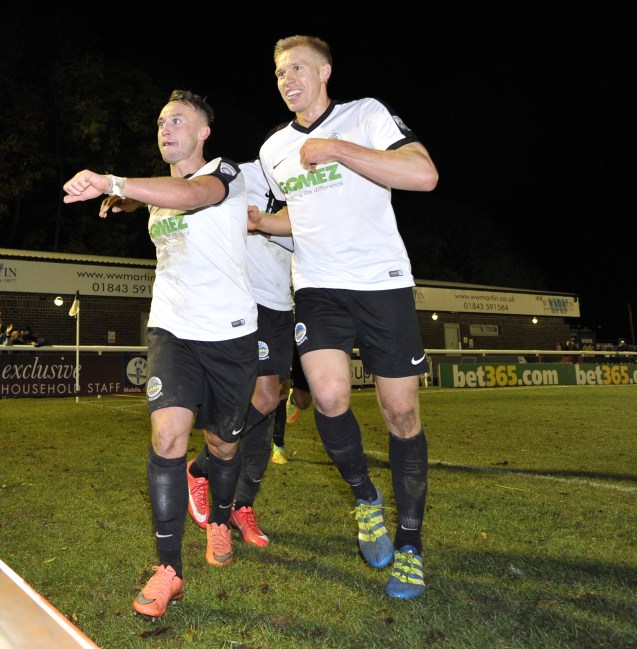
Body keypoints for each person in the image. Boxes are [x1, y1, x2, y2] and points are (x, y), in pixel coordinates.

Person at [250, 35, 438, 600]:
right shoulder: (272, 149)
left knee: (400, 413)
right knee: (328, 398)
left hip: (382, 284)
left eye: (298, 67)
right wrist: (263, 223)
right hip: (318, 289)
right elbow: (301, 220)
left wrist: (336, 148)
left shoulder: (366, 116)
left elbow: (423, 174)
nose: (288, 79)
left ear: (326, 71)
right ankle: (365, 500)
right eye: (281, 72)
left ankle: (410, 545)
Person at [62, 89, 257, 620]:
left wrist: (114, 184)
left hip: (231, 335)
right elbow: (169, 196)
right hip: (172, 328)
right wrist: (129, 200)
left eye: (178, 121)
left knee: (221, 444)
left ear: (203, 132)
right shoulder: (159, 191)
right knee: (167, 434)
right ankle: (169, 568)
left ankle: (219, 518)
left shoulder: (226, 173)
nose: (166, 129)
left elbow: (195, 196)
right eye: (160, 122)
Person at [184, 159, 293, 547]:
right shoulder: (246, 173)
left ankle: (241, 506)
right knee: (263, 397)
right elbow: (193, 187)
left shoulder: (305, 187)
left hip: (287, 307)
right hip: (252, 302)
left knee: (270, 407)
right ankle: (201, 467)